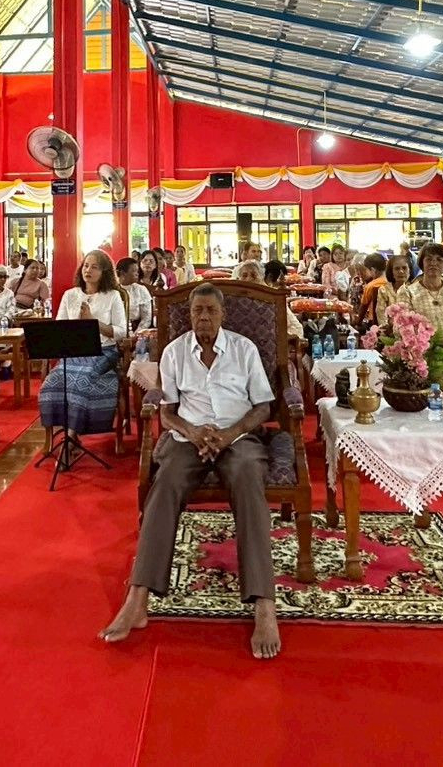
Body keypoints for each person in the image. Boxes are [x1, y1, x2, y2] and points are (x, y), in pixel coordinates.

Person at [100, 282, 281, 659]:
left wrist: (230, 433)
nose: (203, 317)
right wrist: (192, 431)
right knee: (163, 486)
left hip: (238, 437)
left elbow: (263, 407)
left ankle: (264, 604)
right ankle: (137, 599)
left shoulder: (243, 350)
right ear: (189, 314)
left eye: (210, 311)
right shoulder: (175, 352)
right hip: (189, 439)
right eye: (197, 310)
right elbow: (166, 409)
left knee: (249, 480)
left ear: (222, 315)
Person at [40, 251, 127, 436]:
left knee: (81, 379)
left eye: (95, 267)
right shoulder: (70, 295)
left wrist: (92, 323)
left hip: (104, 351)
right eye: (86, 265)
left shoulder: (112, 296)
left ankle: (71, 436)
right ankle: (56, 434)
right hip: (74, 352)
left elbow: (121, 332)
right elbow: (59, 327)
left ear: (104, 272)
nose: (88, 270)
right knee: (51, 382)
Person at [263, 259, 306, 342]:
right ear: (270, 276)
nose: (282, 281)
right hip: (285, 336)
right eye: (280, 277)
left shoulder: (270, 291)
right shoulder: (271, 294)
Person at [116, 257, 153, 332]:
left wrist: (136, 335)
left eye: (137, 271)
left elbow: (146, 319)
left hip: (136, 330)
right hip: (115, 330)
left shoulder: (141, 290)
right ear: (123, 273)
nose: (137, 273)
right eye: (134, 271)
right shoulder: (112, 290)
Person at [378, 252, 415, 325]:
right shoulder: (384, 290)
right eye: (397, 269)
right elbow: (381, 315)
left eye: (404, 268)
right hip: (389, 333)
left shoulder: (415, 289)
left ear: (410, 270)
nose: (401, 271)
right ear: (391, 272)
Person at [356, 253, 388, 329]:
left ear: (373, 270)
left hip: (374, 325)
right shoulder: (391, 283)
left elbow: (363, 309)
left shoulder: (371, 286)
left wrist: (357, 323)